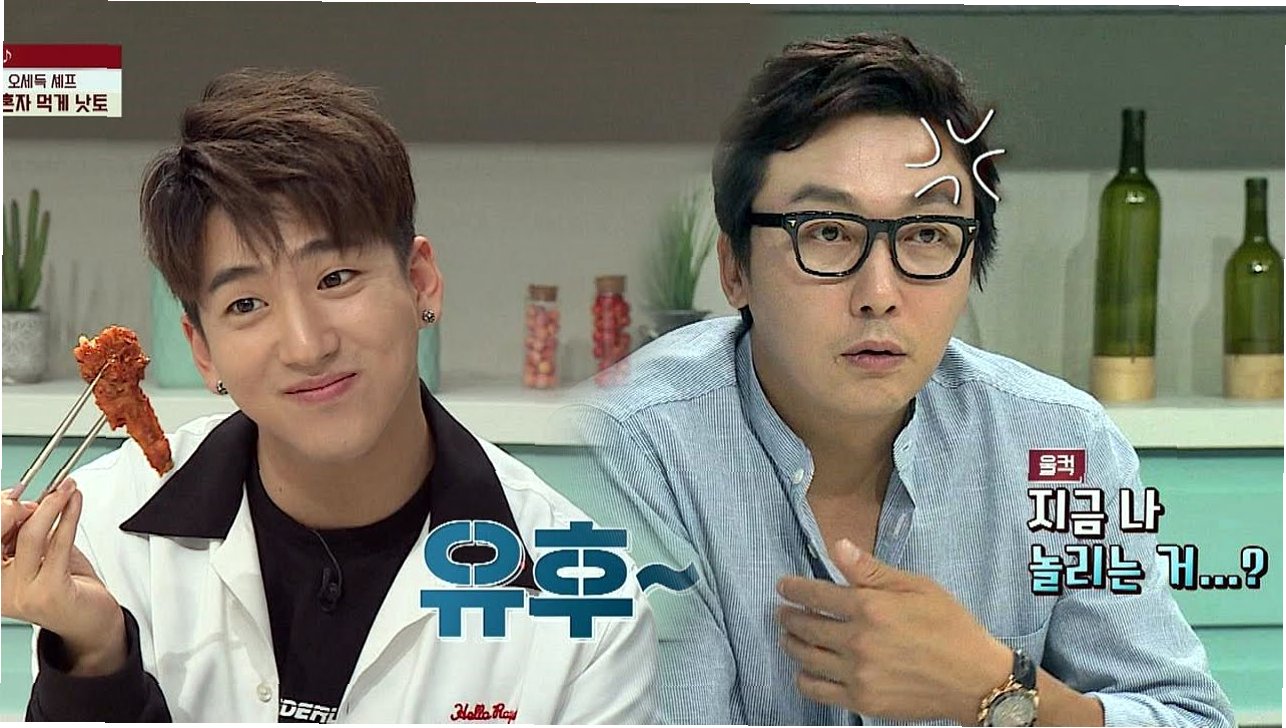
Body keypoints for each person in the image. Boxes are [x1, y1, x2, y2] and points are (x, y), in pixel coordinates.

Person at [571, 33, 1234, 727]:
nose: (879, 294)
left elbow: (1188, 716)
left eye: (926, 234)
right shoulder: (629, 449)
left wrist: (997, 689)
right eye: (827, 231)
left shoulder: (1061, 444)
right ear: (735, 268)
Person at [2, 69, 656, 723]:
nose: (306, 345)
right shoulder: (104, 534)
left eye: (336, 277)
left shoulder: (585, 603)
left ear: (420, 282)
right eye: (246, 304)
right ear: (202, 349)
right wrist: (95, 659)